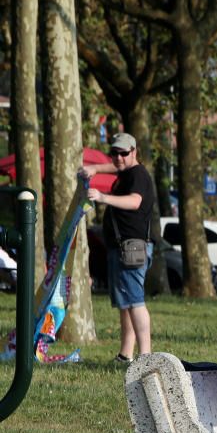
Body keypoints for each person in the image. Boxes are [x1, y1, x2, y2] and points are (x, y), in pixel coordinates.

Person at [81, 132, 155, 364]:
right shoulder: (126, 171)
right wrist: (95, 169)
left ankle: (145, 356)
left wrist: (103, 197)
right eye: (115, 153)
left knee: (134, 302)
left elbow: (135, 201)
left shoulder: (138, 175)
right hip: (121, 247)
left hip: (132, 247)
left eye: (124, 153)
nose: (119, 157)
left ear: (134, 152)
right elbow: (116, 167)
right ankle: (126, 354)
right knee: (125, 304)